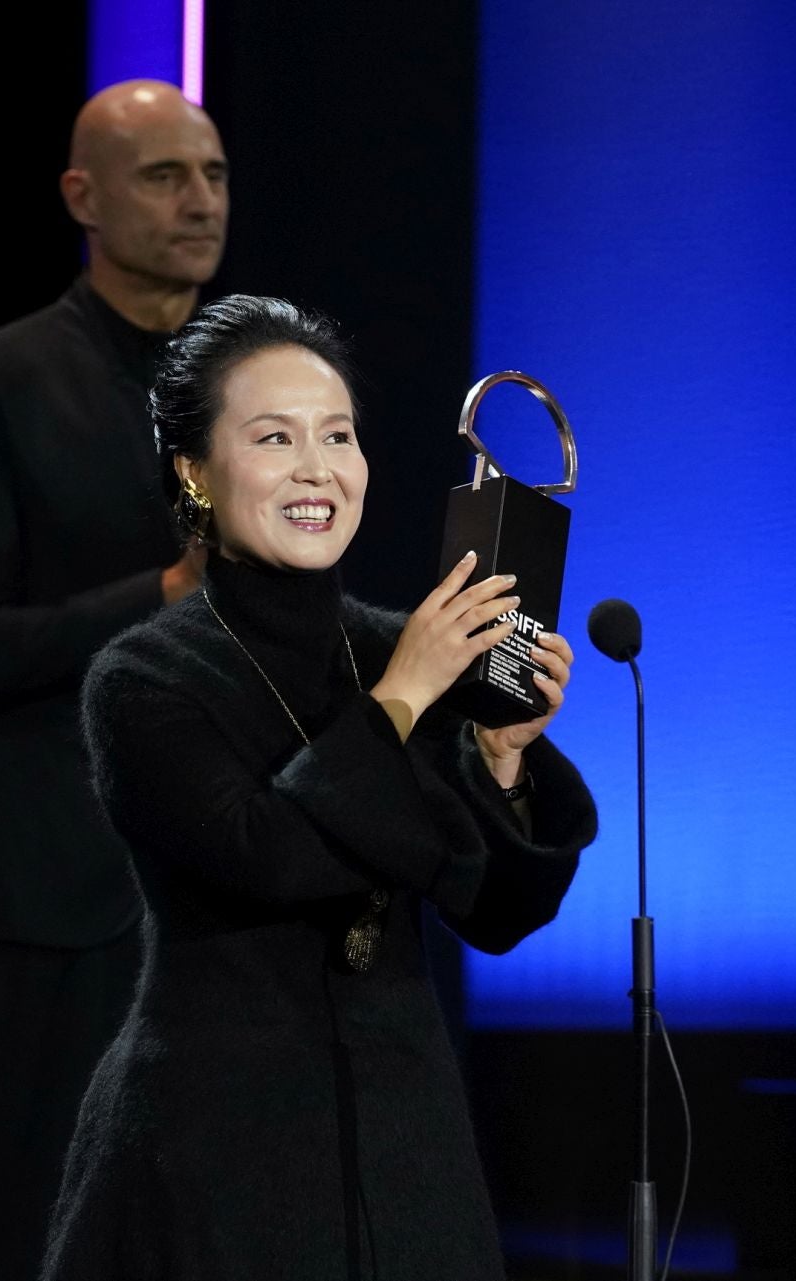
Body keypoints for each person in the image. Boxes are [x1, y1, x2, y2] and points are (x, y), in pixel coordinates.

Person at [41, 296, 599, 1279]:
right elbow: (263, 855)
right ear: (195, 473)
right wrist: (404, 698)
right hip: (212, 1154)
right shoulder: (142, 682)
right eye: (274, 437)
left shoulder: (394, 647)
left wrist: (504, 759)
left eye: (337, 435)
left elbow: (502, 910)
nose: (317, 468)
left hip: (406, 1152)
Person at [0, 80, 227, 1281]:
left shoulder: (260, 387)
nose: (200, 202)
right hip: (44, 895)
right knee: (15, 1234)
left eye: (213, 174)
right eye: (164, 175)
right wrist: (163, 594)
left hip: (220, 881)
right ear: (80, 197)